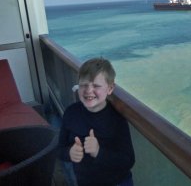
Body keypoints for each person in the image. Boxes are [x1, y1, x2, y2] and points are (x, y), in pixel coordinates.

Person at [58, 57, 135, 186]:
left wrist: (99, 152)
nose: (88, 90)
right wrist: (69, 153)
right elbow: (59, 148)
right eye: (84, 85)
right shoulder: (71, 113)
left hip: (118, 182)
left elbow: (128, 160)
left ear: (110, 89)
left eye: (96, 86)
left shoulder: (116, 118)